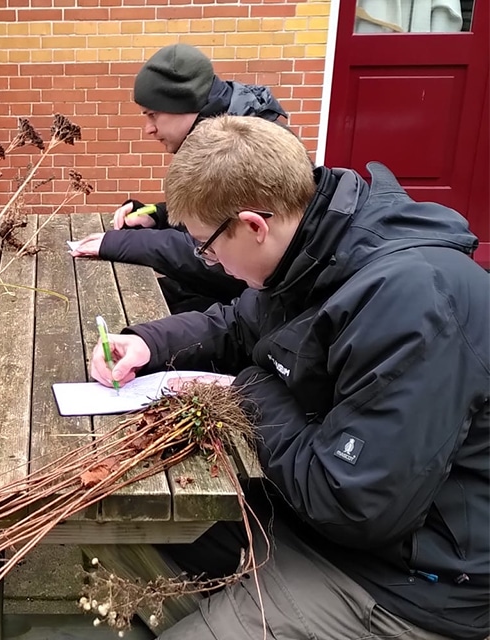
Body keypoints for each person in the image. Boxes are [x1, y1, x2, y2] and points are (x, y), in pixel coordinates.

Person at [90, 116, 488, 639]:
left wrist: (248, 388)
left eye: (206, 246)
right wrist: (149, 343)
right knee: (129, 525)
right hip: (312, 519)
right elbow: (240, 324)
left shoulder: (411, 305)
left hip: (408, 581)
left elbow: (352, 503)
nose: (209, 262)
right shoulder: (316, 248)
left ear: (253, 226)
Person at [70, 43, 286, 313]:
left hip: (251, 308)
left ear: (185, 103)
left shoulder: (244, 147)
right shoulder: (217, 134)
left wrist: (124, 244)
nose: (148, 129)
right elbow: (212, 215)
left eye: (153, 115)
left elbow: (221, 257)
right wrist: (158, 215)